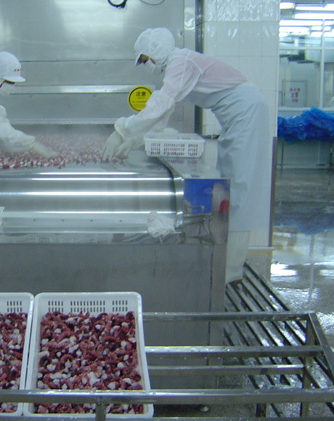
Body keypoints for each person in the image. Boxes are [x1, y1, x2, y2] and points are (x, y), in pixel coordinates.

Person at [102, 27, 271, 284]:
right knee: (229, 186)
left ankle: (231, 272)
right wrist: (135, 140)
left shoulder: (180, 63)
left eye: (146, 60)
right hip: (236, 118)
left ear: (157, 52)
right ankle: (224, 263)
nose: (147, 66)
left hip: (246, 114)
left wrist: (121, 130)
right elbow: (163, 115)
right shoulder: (179, 66)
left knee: (237, 191)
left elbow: (159, 105)